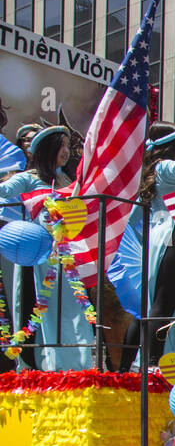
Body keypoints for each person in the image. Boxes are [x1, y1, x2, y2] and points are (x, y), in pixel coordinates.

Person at [0, 125, 96, 370]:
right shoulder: (28, 178)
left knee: (74, 312)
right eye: (61, 146)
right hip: (40, 260)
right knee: (43, 311)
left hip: (70, 261)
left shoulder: (69, 181)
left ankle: (78, 367)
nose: (65, 152)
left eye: (66, 146)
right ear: (47, 149)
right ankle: (47, 366)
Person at [127, 121, 175, 367]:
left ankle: (129, 365)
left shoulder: (150, 172)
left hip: (157, 238)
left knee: (153, 303)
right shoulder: (166, 167)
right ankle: (151, 364)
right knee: (164, 304)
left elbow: (135, 219)